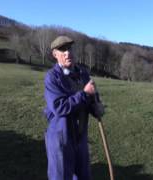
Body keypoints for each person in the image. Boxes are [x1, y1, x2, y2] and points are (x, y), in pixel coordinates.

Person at [43, 35, 104, 180]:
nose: (67, 53)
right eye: (62, 50)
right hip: (61, 138)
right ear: (55, 54)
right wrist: (84, 94)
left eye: (69, 48)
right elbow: (59, 107)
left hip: (80, 137)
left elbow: (92, 98)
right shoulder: (52, 77)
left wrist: (97, 107)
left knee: (84, 176)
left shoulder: (83, 74)